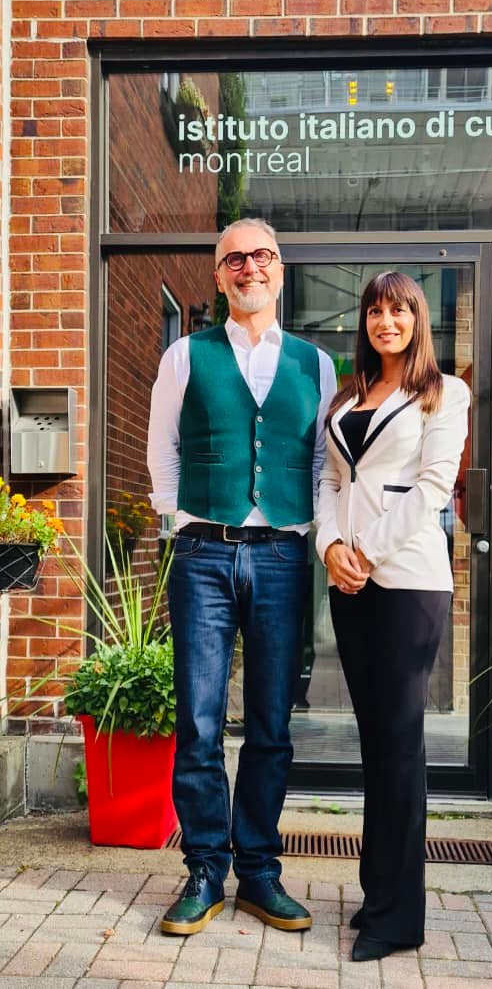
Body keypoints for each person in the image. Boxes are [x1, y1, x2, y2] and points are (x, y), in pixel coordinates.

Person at [147, 218, 336, 936]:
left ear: (280, 270)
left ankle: (258, 871)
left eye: (262, 256)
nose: (250, 267)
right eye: (236, 259)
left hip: (282, 556)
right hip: (202, 553)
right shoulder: (185, 356)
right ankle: (203, 870)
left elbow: (319, 459)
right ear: (219, 274)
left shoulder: (315, 364)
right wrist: (179, 518)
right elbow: (162, 448)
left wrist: (308, 529)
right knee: (198, 720)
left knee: (270, 724)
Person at [315, 271, 469, 962]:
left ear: (417, 319)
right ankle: (377, 892)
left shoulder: (444, 393)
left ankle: (398, 917)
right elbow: (329, 479)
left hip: (407, 581)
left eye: (399, 310)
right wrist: (330, 548)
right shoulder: (347, 395)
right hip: (348, 582)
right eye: (375, 311)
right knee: (376, 743)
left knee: (401, 744)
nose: (386, 322)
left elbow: (434, 487)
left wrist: (366, 552)